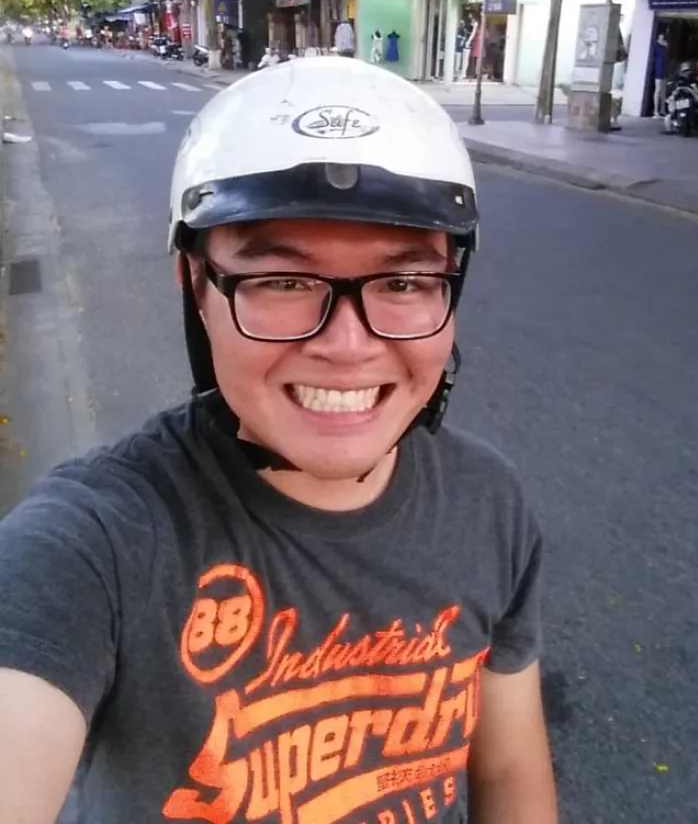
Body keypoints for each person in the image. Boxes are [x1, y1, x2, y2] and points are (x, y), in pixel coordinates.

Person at [0, 59, 557, 824]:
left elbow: (510, 768)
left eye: (403, 283)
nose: (349, 345)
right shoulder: (94, 543)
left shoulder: (487, 502)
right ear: (195, 286)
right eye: (284, 283)